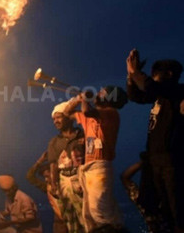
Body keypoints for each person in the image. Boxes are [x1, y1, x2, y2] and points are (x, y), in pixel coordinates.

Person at [126, 49, 184, 232]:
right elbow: (137, 95)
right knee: (162, 209)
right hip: (155, 160)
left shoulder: (178, 92)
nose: (153, 79)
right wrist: (131, 77)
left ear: (169, 75)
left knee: (178, 210)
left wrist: (136, 74)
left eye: (156, 75)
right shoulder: (159, 96)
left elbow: (150, 87)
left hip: (171, 161)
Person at [63, 85, 128, 232]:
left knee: (100, 213)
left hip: (100, 167)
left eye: (101, 92)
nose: (97, 94)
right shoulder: (91, 116)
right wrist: (78, 99)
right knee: (90, 215)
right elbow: (67, 113)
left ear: (109, 99)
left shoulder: (111, 113)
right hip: (91, 168)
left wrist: (85, 99)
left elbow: (87, 111)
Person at [47, 101, 85, 233]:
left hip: (81, 181)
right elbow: (53, 165)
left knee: (87, 218)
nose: (56, 121)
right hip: (65, 184)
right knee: (71, 221)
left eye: (59, 117)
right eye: (54, 119)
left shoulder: (82, 136)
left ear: (68, 117)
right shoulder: (54, 142)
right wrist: (54, 184)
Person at [121, 152, 171, 233]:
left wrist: (143, 163)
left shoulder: (144, 202)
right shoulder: (170, 198)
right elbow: (125, 177)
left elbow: (125, 177)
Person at [26, 151, 67, 233]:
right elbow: (30, 176)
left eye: (48, 176)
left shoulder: (65, 185)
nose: (46, 180)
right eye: (45, 177)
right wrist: (40, 161)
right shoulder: (48, 188)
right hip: (59, 223)